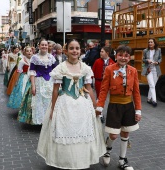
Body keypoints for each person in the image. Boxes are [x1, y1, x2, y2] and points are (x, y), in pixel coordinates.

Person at [37, 39, 106, 169]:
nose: (74, 51)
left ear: (80, 51)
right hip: (65, 103)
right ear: (66, 51)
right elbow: (56, 90)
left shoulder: (85, 68)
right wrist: (52, 109)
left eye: (77, 48)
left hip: (82, 103)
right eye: (71, 48)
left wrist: (95, 105)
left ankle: (80, 160)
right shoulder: (60, 68)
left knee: (82, 131)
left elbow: (89, 88)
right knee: (65, 130)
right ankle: (66, 161)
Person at [96, 45, 142, 170]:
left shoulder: (133, 70)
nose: (123, 58)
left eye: (126, 56)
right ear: (116, 56)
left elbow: (136, 92)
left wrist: (138, 110)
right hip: (114, 106)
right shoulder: (110, 69)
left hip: (128, 106)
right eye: (120, 55)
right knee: (113, 135)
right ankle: (107, 150)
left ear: (129, 57)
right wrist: (100, 106)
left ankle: (122, 160)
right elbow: (104, 89)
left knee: (125, 133)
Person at [29, 39, 56, 125]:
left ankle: (49, 120)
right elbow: (32, 72)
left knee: (49, 101)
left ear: (48, 46)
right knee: (39, 102)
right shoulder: (34, 58)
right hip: (39, 81)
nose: (44, 46)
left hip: (50, 82)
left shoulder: (51, 57)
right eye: (42, 45)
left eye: (45, 45)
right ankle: (41, 121)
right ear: (39, 46)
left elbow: (55, 71)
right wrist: (33, 86)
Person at [141, 38, 162, 107]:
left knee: (152, 85)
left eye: (151, 42)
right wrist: (147, 60)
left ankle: (149, 99)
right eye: (149, 42)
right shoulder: (145, 51)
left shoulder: (158, 50)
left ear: (154, 43)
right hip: (148, 69)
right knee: (152, 85)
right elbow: (143, 59)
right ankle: (154, 100)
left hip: (156, 69)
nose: (150, 43)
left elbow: (160, 58)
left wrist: (157, 62)